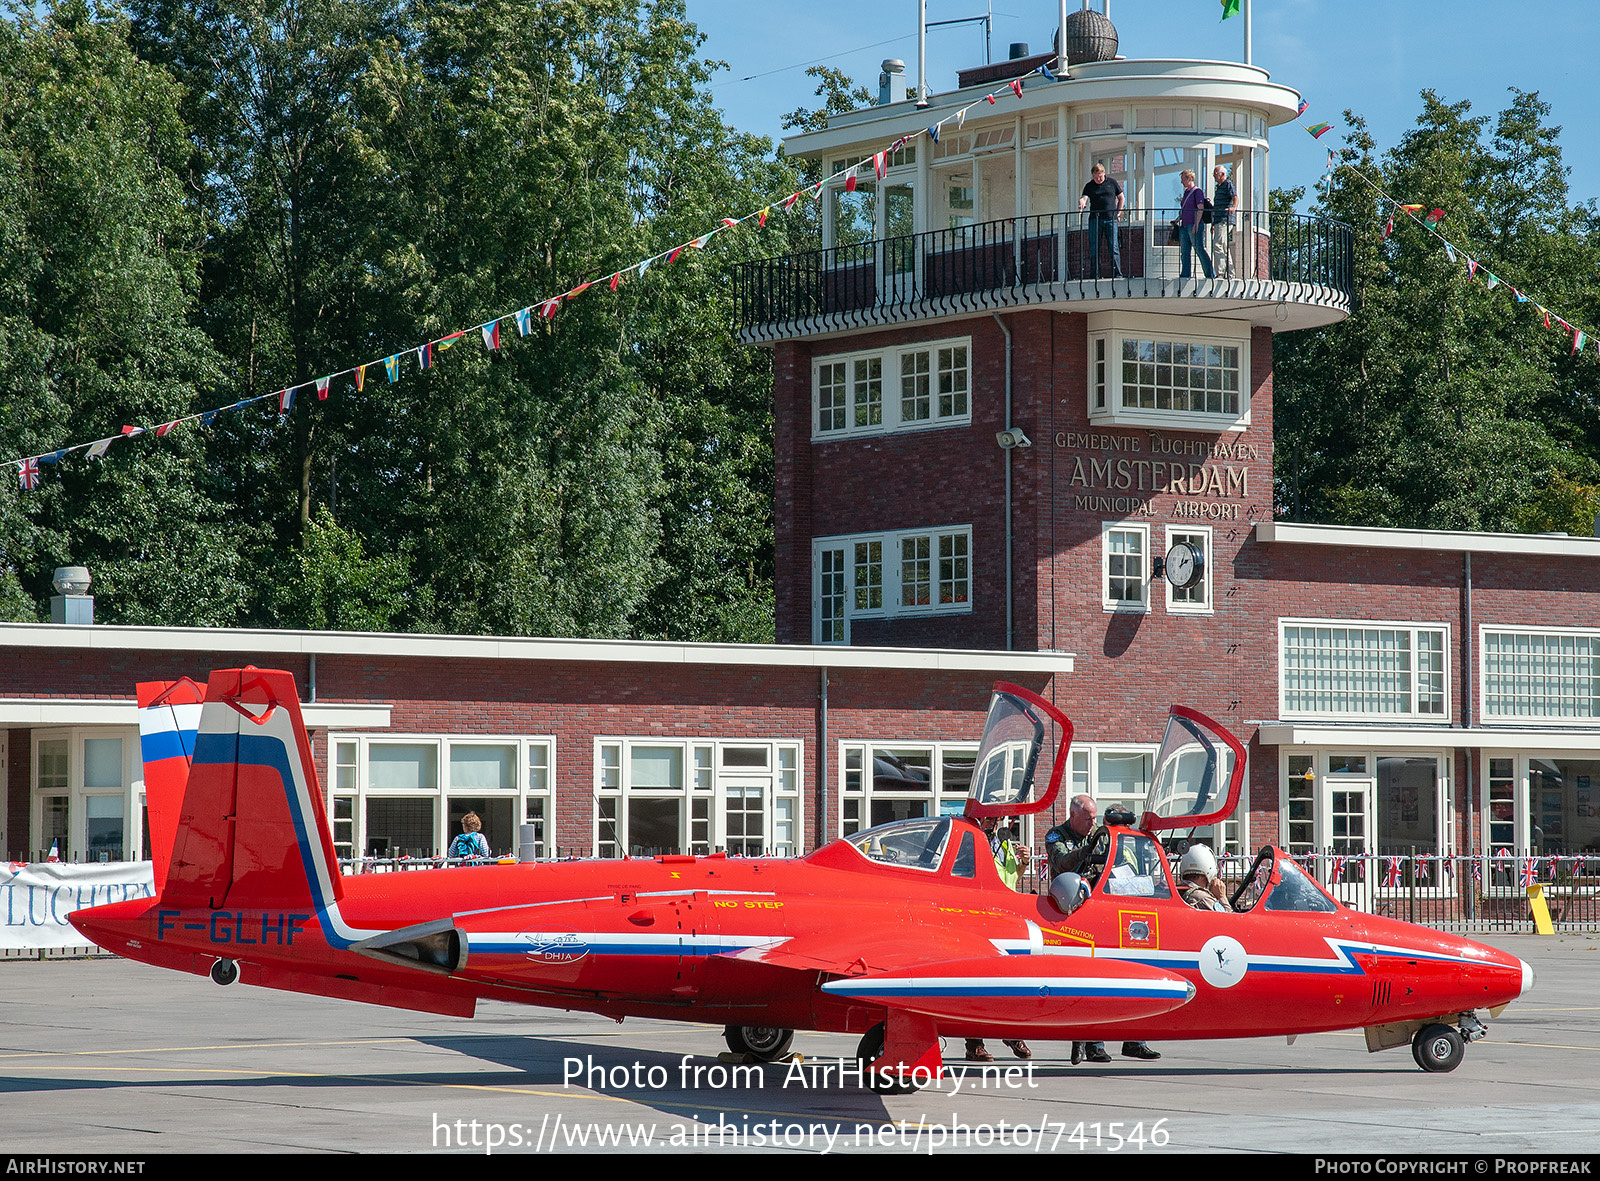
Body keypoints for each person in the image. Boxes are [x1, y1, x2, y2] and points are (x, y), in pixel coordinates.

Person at [1046, 797, 1159, 1064]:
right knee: (1086, 981)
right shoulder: (1056, 835)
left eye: (1095, 818)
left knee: (1126, 974)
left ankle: (1134, 1039)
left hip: (1101, 910)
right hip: (1068, 914)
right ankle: (1091, 1043)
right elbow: (1061, 863)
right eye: (1087, 819)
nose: (1092, 824)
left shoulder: (1098, 835)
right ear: (1073, 816)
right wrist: (1089, 851)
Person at [967, 816, 1032, 1063]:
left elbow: (1014, 876)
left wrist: (1024, 861)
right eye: (990, 818)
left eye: (996, 819)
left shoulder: (1004, 842)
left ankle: (1011, 1033)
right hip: (983, 916)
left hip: (1008, 915)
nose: (993, 823)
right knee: (978, 984)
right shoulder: (974, 841)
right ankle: (974, 1043)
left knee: (1012, 982)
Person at [1078, 163, 1124, 279]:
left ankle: (1117, 274)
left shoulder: (1112, 183)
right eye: (1095, 177)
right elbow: (1084, 197)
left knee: (1113, 247)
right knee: (1094, 248)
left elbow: (1121, 197)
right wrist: (1082, 202)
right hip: (1095, 220)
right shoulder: (1089, 185)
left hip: (1110, 219)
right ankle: (1095, 275)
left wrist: (1118, 213)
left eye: (1100, 177)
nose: (1098, 179)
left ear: (1104, 173)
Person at [1177, 169, 1214, 280]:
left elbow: (1200, 208)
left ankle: (1209, 274)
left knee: (1199, 249)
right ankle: (1185, 274)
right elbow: (1184, 209)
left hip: (1193, 224)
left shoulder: (1197, 192)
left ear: (1189, 179)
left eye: (1183, 179)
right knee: (1184, 251)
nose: (1182, 182)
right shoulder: (1186, 193)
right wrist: (1177, 220)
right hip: (1184, 225)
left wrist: (1196, 224)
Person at [1178, 844, 1232, 913]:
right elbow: (1228, 920)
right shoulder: (1203, 898)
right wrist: (1222, 897)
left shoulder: (1179, 892)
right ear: (1210, 870)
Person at [1209, 164, 1236, 279]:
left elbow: (1235, 197)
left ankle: (1221, 272)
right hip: (1219, 220)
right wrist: (1213, 223)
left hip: (1224, 219)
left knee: (1218, 244)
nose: (1214, 176)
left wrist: (1233, 207)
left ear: (1223, 174)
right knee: (1223, 246)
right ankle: (1230, 272)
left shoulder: (1227, 184)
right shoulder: (1219, 187)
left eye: (1216, 173)